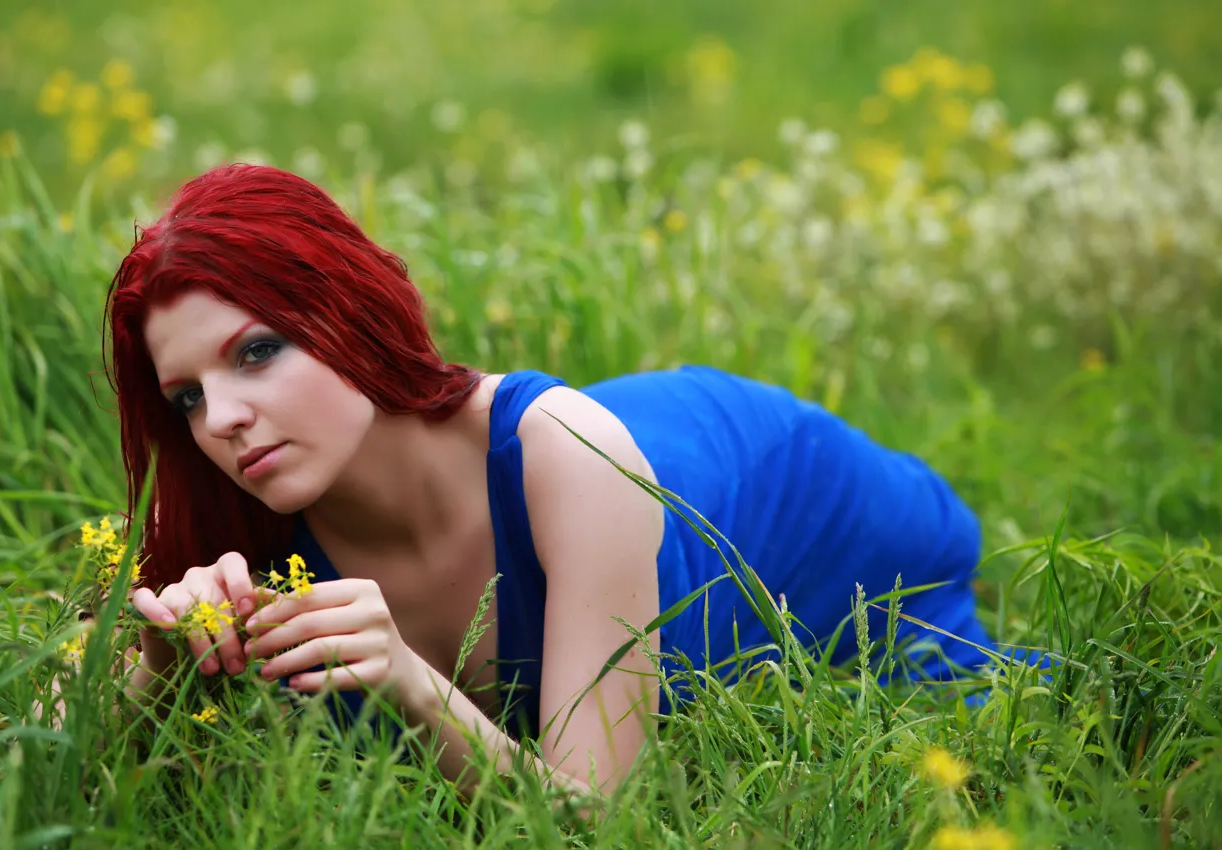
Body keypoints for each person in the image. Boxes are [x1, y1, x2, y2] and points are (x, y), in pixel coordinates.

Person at [105, 163, 997, 797]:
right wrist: (157, 669)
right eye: (187, 397)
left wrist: (414, 685)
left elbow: (597, 818)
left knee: (971, 704)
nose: (220, 418)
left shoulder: (567, 455)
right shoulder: (236, 509)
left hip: (778, 489)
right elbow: (60, 737)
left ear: (346, 313)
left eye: (258, 352)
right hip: (634, 465)